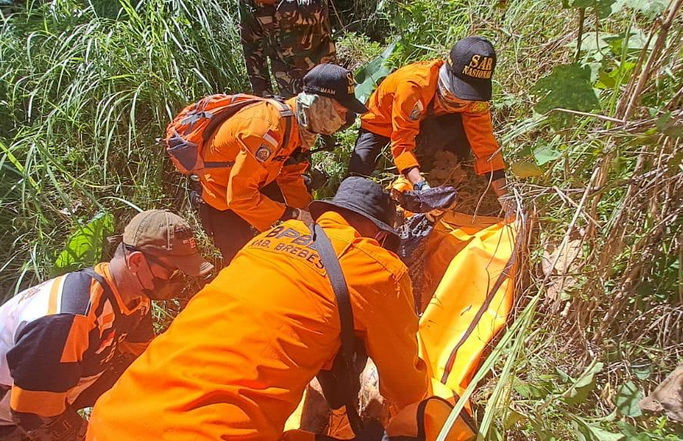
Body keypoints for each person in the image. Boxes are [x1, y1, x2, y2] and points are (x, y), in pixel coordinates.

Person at [86, 177, 430, 441]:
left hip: (113, 419)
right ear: (382, 235)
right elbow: (406, 387)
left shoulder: (266, 241)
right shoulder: (377, 265)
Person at [0, 209, 213, 441]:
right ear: (137, 261)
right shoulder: (70, 318)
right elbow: (34, 416)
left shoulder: (136, 297)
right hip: (15, 414)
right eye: (174, 272)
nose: (179, 281)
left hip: (49, 398)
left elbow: (146, 360)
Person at [196, 63, 368, 263]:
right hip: (222, 196)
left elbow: (291, 175)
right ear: (320, 103)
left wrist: (311, 219)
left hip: (259, 181)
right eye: (342, 110)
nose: (345, 119)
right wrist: (292, 214)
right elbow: (239, 197)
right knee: (242, 261)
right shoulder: (267, 130)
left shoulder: (300, 125)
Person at [348, 36, 511, 211]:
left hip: (427, 120)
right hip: (381, 123)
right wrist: (421, 186)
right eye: (455, 93)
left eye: (467, 96)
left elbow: (485, 145)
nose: (461, 101)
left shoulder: (476, 100)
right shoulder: (413, 86)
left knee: (455, 144)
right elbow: (402, 143)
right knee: (357, 174)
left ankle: (438, 170)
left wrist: (507, 201)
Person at [239, 0, 337, 98]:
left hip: (323, 75)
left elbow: (320, 10)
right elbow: (252, 46)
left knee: (336, 111)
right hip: (287, 84)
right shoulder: (248, 2)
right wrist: (264, 95)